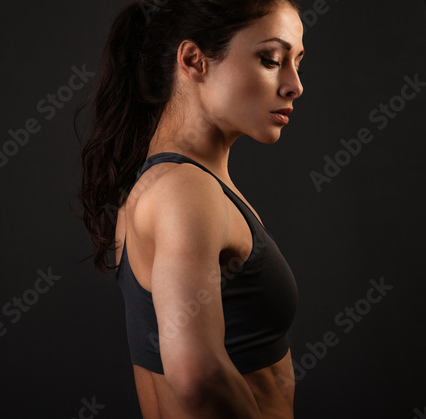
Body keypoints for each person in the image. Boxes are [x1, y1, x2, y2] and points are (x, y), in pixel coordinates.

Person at [75, 0, 305, 417]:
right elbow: (197, 378)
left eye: (297, 62)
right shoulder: (185, 190)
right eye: (271, 59)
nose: (294, 85)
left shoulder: (175, 183)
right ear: (194, 60)